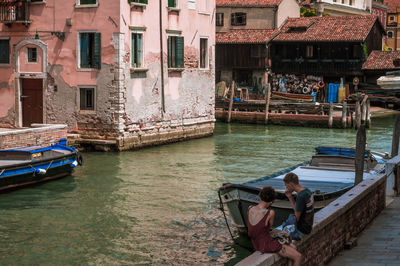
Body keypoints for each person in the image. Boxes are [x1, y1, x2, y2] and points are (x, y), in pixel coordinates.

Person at [248, 186, 302, 266]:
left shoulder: (250, 208)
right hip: (266, 244)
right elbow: (269, 227)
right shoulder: (270, 213)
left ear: (260, 196)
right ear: (271, 201)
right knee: (298, 256)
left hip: (256, 242)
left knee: (293, 247)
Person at [283, 172, 315, 237]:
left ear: (291, 184)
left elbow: (296, 219)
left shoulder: (300, 196)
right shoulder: (307, 191)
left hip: (302, 230)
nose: (286, 188)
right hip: (308, 226)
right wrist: (290, 197)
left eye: (286, 185)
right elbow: (298, 209)